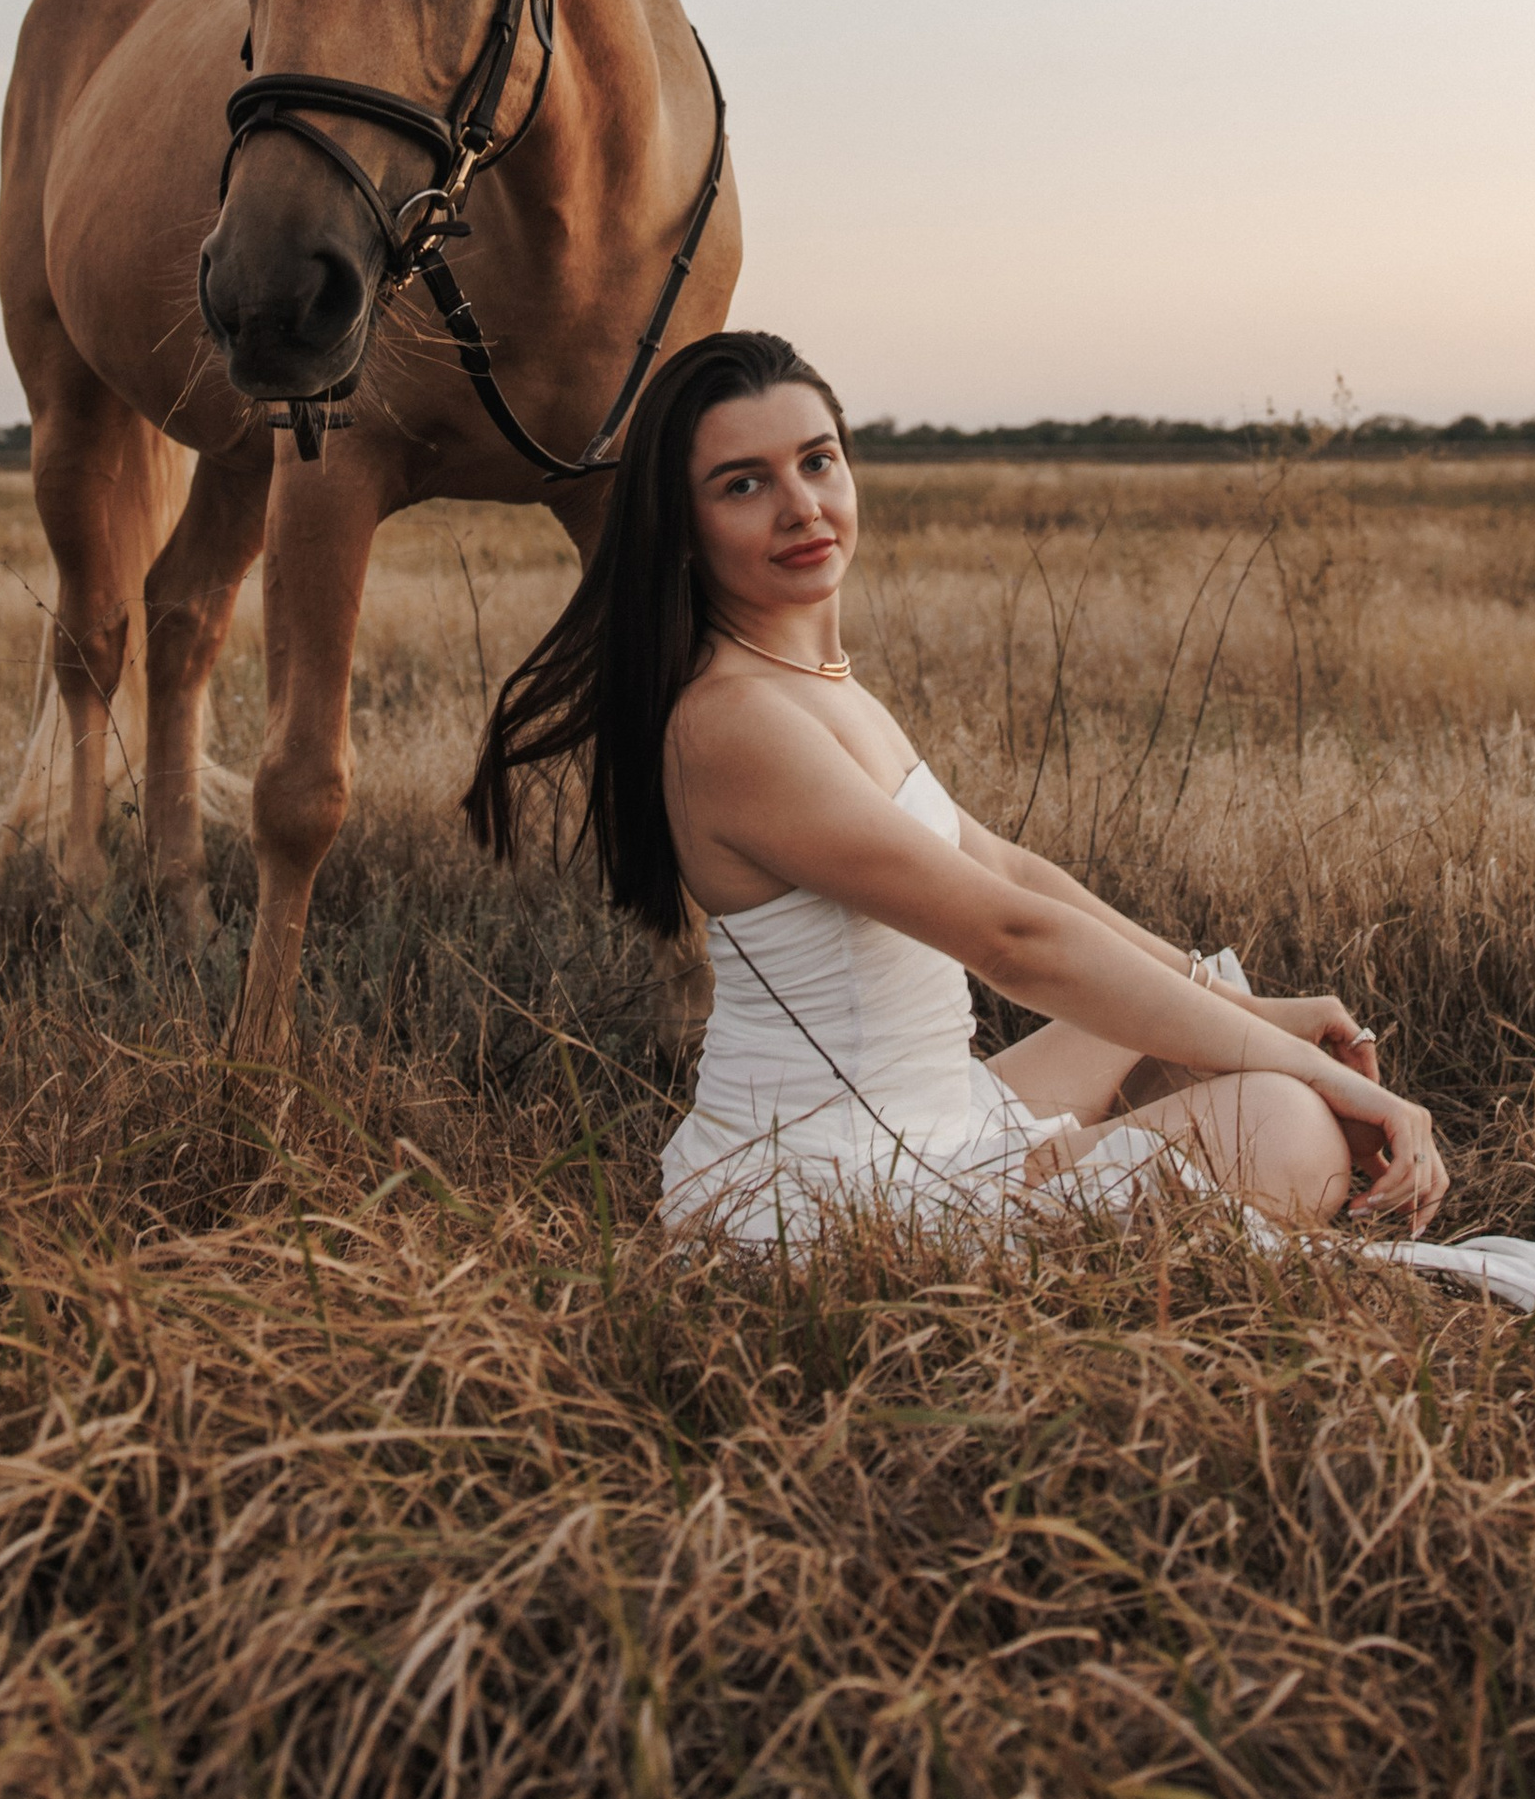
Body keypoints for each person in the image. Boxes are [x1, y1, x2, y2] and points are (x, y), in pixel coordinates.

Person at [465, 329, 1450, 1248]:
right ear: (681, 527)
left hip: (927, 1110)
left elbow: (1008, 869)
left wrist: (1258, 1013)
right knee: (1286, 1117)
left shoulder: (811, 683)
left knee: (1208, 1003)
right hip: (823, 1186)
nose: (801, 505)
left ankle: (1087, 1173)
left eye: (816, 461)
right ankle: (1088, 1187)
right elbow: (1011, 939)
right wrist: (1314, 1073)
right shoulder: (734, 722)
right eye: (742, 485)